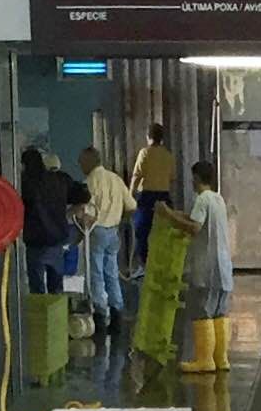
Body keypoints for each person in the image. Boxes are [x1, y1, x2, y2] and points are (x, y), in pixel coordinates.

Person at [173, 158, 233, 375]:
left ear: (196, 178)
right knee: (220, 312)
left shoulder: (201, 199)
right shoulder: (218, 199)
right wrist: (181, 217)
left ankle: (204, 360)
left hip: (205, 268)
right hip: (223, 268)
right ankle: (221, 358)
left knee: (202, 312)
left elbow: (195, 227)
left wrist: (168, 216)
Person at [76, 146, 132, 333]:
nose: (80, 165)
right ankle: (117, 312)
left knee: (96, 274)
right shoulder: (116, 179)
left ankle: (100, 315)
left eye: (82, 162)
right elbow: (132, 206)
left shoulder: (90, 181)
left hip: (96, 230)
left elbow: (86, 212)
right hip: (113, 231)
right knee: (112, 272)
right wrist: (119, 218)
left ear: (89, 162)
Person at [18, 147, 76, 295]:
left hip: (35, 240)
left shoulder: (25, 183)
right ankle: (57, 314)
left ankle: (39, 316)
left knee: (36, 286)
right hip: (57, 238)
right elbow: (83, 194)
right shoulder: (58, 179)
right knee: (56, 285)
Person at [128, 123, 176, 268]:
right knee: (164, 233)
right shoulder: (168, 156)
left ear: (148, 137)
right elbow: (172, 177)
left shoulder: (145, 153)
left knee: (142, 232)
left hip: (147, 197)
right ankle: (163, 263)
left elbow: (136, 176)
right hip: (164, 196)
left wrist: (130, 197)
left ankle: (144, 264)